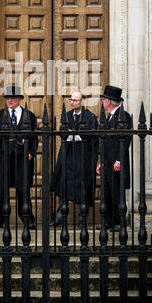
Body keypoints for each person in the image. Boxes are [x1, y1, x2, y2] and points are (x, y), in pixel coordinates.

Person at [0, 86, 37, 229]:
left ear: (20, 99)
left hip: (22, 158)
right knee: (1, 190)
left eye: (13, 97)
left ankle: (28, 220)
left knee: (23, 190)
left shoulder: (30, 116)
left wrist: (31, 153)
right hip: (4, 157)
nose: (9, 100)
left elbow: (34, 138)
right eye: (8, 97)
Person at [50, 91, 99, 226]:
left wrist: (75, 135)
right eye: (71, 100)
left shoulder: (90, 117)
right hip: (68, 157)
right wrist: (73, 135)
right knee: (63, 186)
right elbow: (63, 132)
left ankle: (82, 219)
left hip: (82, 159)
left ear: (82, 102)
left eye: (75, 100)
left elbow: (91, 138)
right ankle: (59, 217)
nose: (72, 102)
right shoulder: (67, 115)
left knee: (83, 189)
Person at [96, 85, 132, 231]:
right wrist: (101, 161)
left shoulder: (124, 116)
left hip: (116, 162)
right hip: (107, 162)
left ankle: (119, 221)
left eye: (103, 100)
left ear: (109, 101)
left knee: (117, 193)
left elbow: (126, 140)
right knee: (107, 193)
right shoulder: (108, 118)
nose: (102, 102)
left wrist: (119, 160)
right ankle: (108, 221)